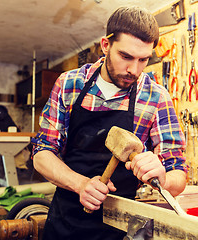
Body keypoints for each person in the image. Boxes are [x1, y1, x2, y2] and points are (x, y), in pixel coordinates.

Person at [31, 6, 187, 240]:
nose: (134, 70)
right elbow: (42, 153)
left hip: (119, 229)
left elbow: (179, 176)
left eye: (143, 59)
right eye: (126, 56)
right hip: (66, 221)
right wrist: (81, 184)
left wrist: (163, 177)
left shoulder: (156, 97)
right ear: (105, 46)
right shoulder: (69, 84)